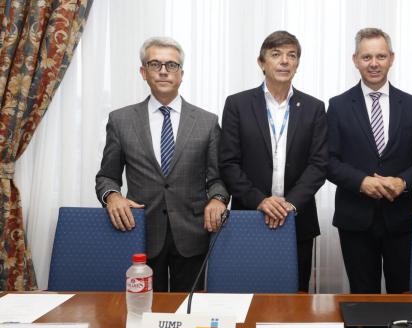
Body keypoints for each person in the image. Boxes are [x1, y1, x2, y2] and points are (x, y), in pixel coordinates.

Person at [95, 37, 229, 292]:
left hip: (193, 234)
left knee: (189, 315)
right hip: (140, 232)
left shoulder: (207, 121)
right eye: (155, 64)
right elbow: (107, 176)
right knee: (143, 313)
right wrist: (112, 196)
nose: (164, 70)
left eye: (172, 65)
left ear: (181, 74)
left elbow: (218, 179)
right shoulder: (121, 120)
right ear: (143, 72)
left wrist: (218, 199)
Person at [218, 31, 327, 292]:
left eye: (291, 55)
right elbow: (229, 163)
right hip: (250, 215)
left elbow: (319, 163)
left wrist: (290, 204)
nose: (284, 61)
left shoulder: (314, 107)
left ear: (297, 64)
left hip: (297, 219)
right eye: (276, 54)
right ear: (261, 62)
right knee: (247, 293)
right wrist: (260, 200)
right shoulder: (237, 104)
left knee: (296, 297)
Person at [326, 28, 412, 294]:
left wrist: (403, 182)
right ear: (355, 60)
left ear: (392, 58)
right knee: (362, 299)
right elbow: (328, 160)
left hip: (401, 219)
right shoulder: (338, 106)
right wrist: (361, 182)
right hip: (355, 219)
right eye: (367, 57)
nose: (374, 63)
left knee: (404, 297)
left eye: (381, 56)